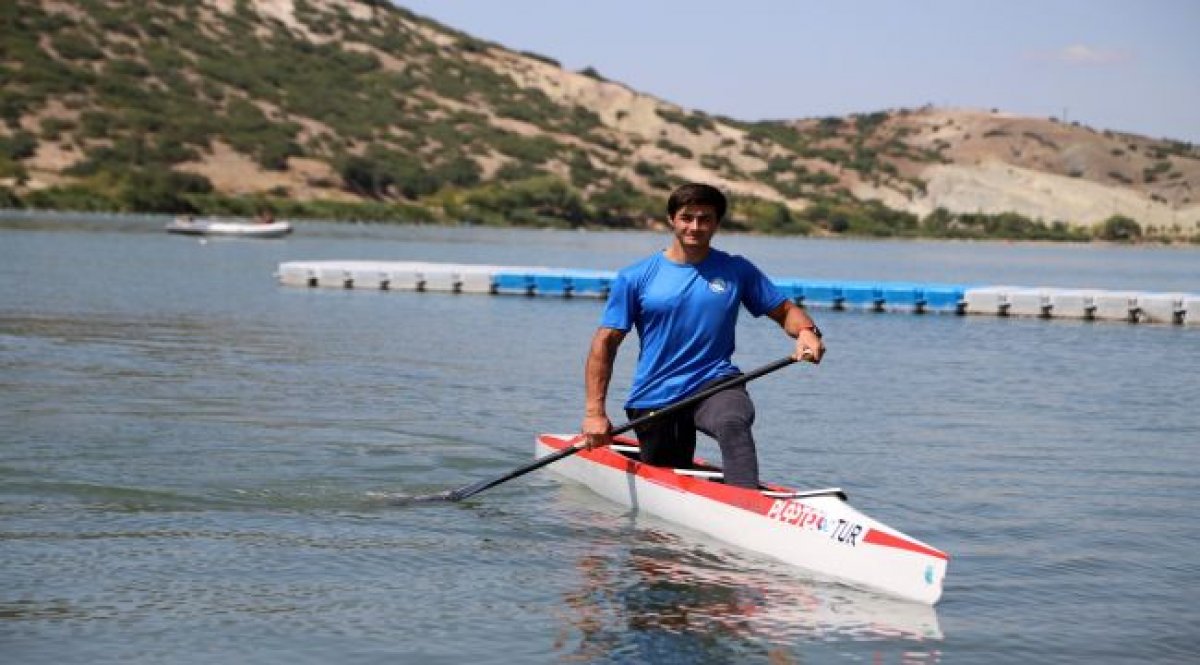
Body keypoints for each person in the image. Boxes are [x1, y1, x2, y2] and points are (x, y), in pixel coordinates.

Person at [581, 183, 825, 489]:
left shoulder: (737, 270)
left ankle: (745, 502)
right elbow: (605, 343)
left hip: (715, 381)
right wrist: (595, 413)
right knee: (667, 476)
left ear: (717, 223)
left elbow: (785, 311)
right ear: (671, 219)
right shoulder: (635, 277)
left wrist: (806, 332)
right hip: (656, 394)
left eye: (705, 218)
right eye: (687, 217)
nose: (695, 227)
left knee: (732, 421)